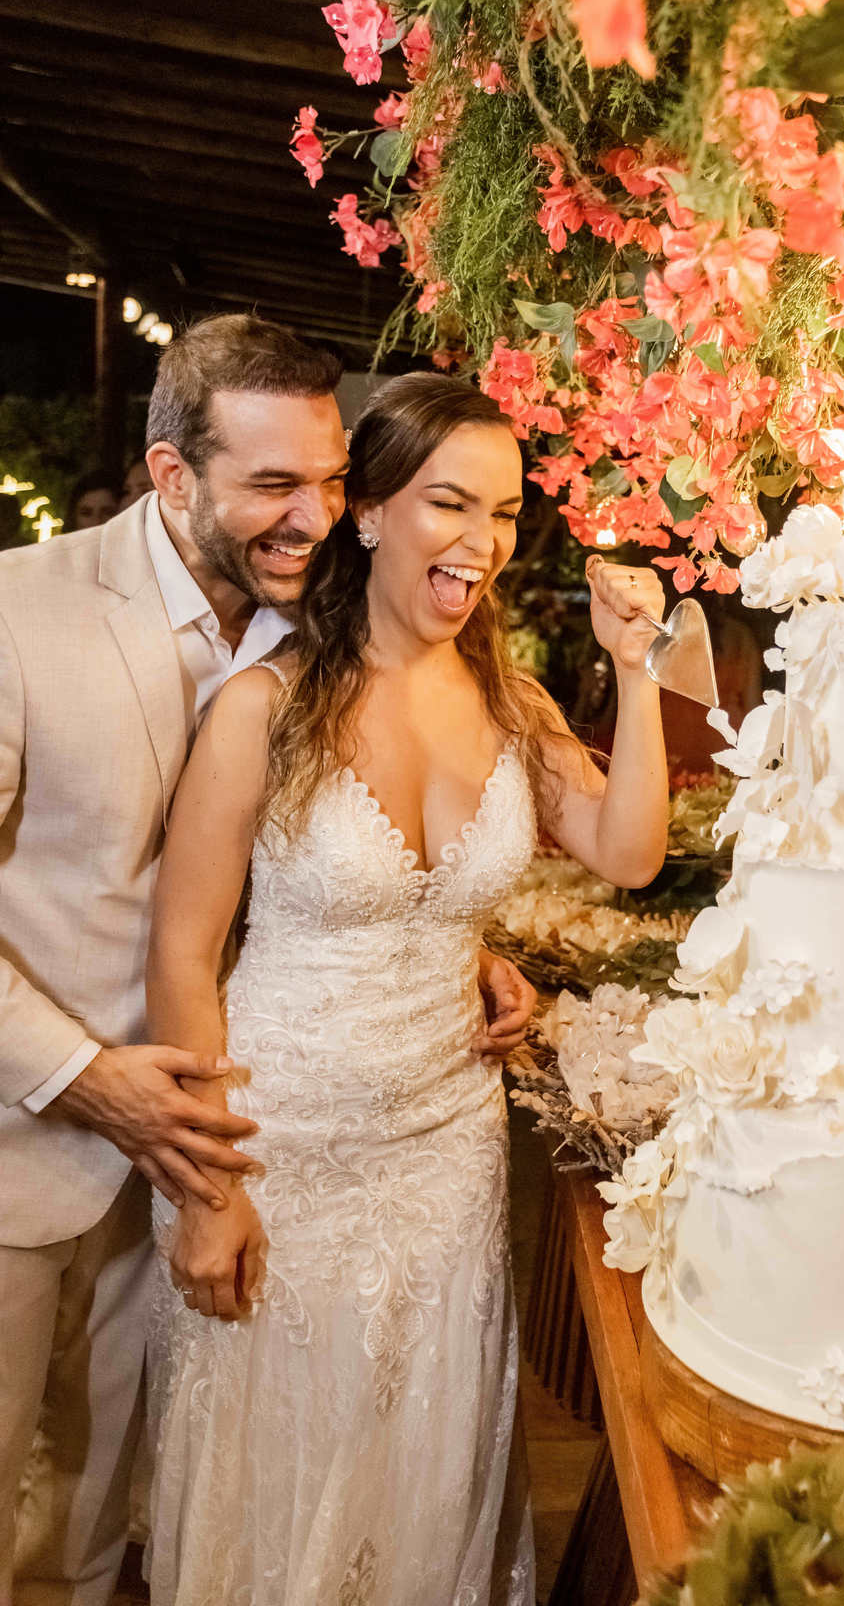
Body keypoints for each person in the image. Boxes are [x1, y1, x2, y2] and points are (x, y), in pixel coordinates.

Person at [0, 316, 534, 1606]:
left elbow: (315, 857)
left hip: (226, 1151)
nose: (316, 515)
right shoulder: (20, 614)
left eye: (335, 479)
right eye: (274, 487)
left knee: (97, 1518)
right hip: (25, 1146)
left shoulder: (317, 642)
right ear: (172, 476)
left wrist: (449, 944)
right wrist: (83, 1073)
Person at [146, 374, 669, 1606]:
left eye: (504, 510)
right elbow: (181, 955)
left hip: (448, 1156)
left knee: (421, 1466)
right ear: (368, 512)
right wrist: (206, 1192)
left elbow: (629, 850)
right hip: (285, 1151)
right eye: (450, 502)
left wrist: (636, 668)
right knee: (277, 1471)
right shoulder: (261, 709)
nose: (484, 539)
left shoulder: (511, 699)